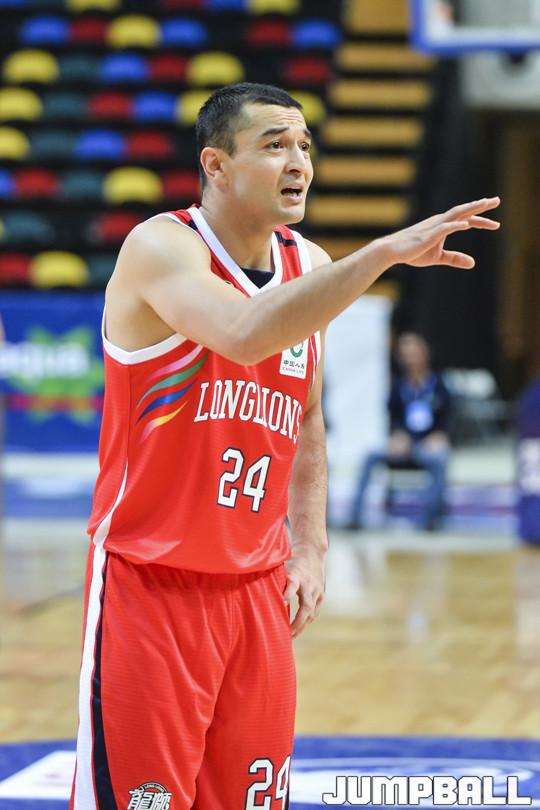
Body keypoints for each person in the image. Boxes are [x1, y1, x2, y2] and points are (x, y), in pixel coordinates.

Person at [69, 82, 500, 809]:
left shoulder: (310, 264)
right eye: (274, 145)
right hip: (151, 585)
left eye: (304, 145)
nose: (298, 161)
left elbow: (306, 422)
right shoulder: (162, 246)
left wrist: (311, 547)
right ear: (216, 165)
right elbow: (243, 334)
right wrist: (382, 254)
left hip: (255, 591)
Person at [349, 331, 453, 531]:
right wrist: (397, 434)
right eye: (405, 354)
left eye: (413, 352)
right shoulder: (398, 386)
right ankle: (355, 517)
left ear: (424, 353)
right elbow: (392, 417)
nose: (409, 358)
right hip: (403, 443)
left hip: (427, 443)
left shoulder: (439, 384)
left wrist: (440, 435)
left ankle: (432, 519)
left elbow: (449, 417)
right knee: (370, 456)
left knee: (440, 458)